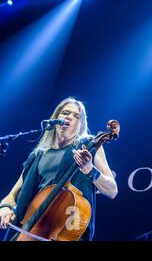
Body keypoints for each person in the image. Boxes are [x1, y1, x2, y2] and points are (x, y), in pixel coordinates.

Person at [0, 97, 118, 241]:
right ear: (55, 119)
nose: (70, 117)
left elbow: (112, 190)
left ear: (80, 125)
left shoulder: (90, 147)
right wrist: (5, 207)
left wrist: (90, 170)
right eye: (65, 113)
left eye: (76, 116)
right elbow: (12, 195)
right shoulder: (38, 155)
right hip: (31, 230)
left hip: (64, 232)